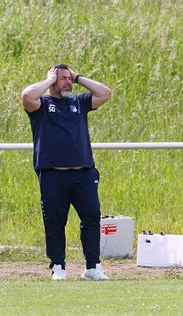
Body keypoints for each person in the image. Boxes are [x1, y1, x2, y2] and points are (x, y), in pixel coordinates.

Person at [21, 64, 112, 280]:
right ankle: (58, 267)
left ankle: (92, 267)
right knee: (54, 222)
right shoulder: (41, 104)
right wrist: (48, 80)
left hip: (84, 174)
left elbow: (105, 93)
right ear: (52, 80)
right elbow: (26, 95)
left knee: (91, 217)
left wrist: (78, 77)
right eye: (63, 78)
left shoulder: (79, 102)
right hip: (53, 175)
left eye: (69, 78)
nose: (68, 82)